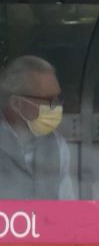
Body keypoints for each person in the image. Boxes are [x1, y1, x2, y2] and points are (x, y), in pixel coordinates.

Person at [0, 55, 75, 200]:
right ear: (16, 103)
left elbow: (67, 206)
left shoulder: (57, 146)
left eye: (58, 98)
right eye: (48, 100)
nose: (56, 107)